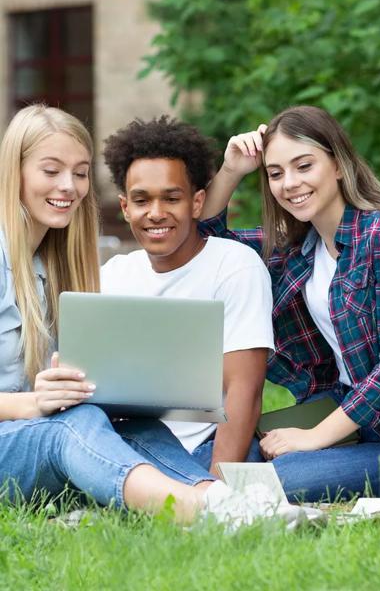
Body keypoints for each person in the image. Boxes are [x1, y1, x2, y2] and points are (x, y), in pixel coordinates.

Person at [0, 105, 280, 526]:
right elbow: (40, 408)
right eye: (51, 171)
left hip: (31, 440)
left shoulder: (56, 266)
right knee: (76, 423)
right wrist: (33, 403)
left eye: (79, 173)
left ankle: (221, 500)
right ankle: (197, 512)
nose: (69, 186)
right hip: (26, 438)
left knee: (130, 422)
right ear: (15, 174)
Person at [199, 105, 380, 501]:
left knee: (264, 483)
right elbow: (208, 241)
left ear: (339, 166)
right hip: (335, 409)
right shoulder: (298, 247)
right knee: (216, 458)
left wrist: (313, 438)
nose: (290, 183)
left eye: (303, 166)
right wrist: (231, 171)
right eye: (276, 173)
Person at [100, 116, 273, 475]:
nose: (156, 213)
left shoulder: (234, 264)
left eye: (171, 198)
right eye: (141, 200)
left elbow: (245, 389)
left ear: (196, 203)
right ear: (125, 207)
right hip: (124, 440)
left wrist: (215, 484)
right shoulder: (113, 275)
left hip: (202, 447)